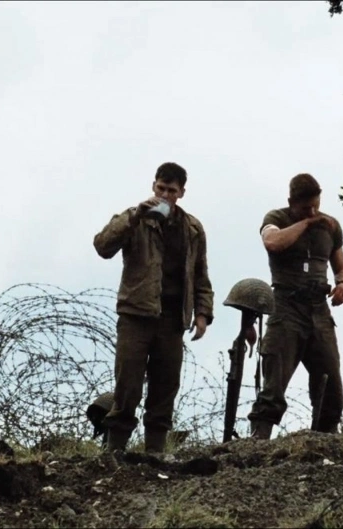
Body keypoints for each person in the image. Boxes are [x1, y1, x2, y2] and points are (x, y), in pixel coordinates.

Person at [92, 162, 214, 453]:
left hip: (173, 319)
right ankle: (115, 453)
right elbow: (102, 245)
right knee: (128, 386)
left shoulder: (192, 228)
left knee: (164, 389)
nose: (165, 194)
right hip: (136, 314)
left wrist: (202, 313)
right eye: (161, 188)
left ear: (181, 192)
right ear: (153, 186)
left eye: (171, 190)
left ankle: (155, 455)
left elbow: (201, 274)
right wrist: (136, 214)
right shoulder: (134, 219)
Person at [247, 173, 343, 439]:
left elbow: (341, 267)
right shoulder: (276, 219)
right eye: (306, 207)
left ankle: (326, 439)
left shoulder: (331, 227)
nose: (313, 211)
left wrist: (342, 285)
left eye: (316, 205)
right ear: (292, 202)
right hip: (286, 308)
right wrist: (306, 223)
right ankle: (259, 440)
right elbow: (272, 242)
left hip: (319, 310)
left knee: (331, 383)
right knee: (274, 382)